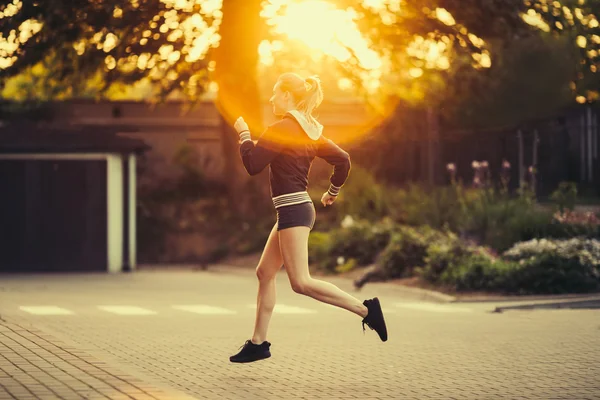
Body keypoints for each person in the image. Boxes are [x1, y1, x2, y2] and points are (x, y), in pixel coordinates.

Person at [229, 73, 387, 364]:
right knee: (265, 273)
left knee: (300, 282)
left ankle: (367, 310)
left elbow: (252, 165)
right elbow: (344, 160)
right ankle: (258, 343)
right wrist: (333, 191)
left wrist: (244, 135)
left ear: (288, 95)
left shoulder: (280, 129)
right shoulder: (310, 130)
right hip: (295, 208)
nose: (272, 99)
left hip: (293, 210)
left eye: (276, 93)